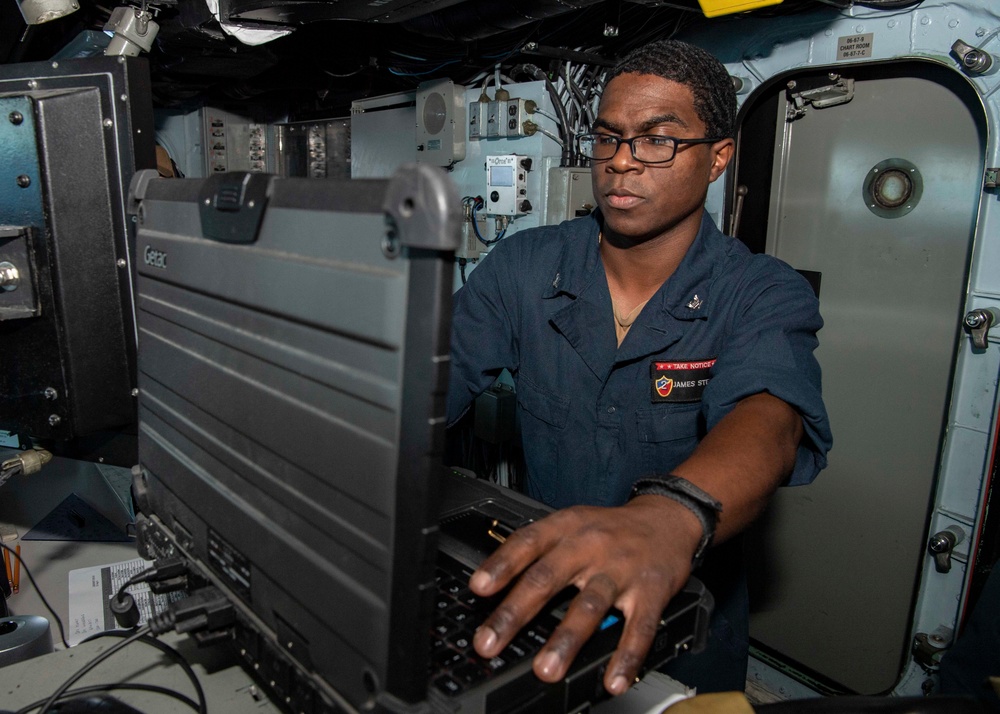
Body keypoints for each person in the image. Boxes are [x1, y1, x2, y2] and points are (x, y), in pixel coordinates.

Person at [446, 38, 832, 696]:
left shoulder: (762, 292)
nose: (622, 161)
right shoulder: (523, 268)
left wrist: (671, 516)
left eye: (658, 140)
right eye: (608, 137)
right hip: (549, 594)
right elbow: (429, 379)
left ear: (717, 158)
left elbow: (769, 420)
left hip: (685, 620)